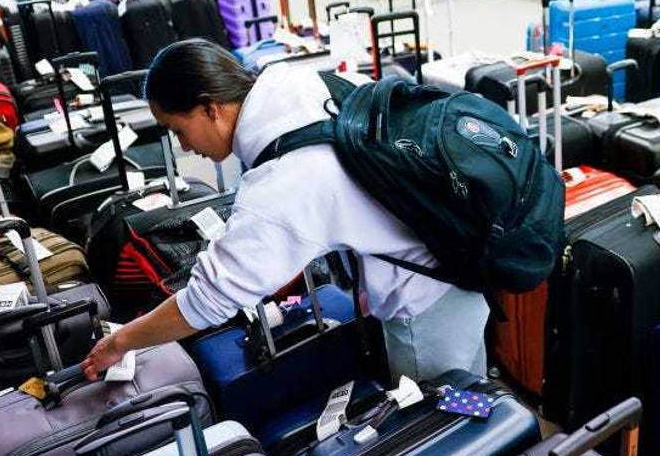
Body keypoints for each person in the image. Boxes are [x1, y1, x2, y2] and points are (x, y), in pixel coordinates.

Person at [81, 40, 490, 383]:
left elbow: (206, 301)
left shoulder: (281, 183)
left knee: (449, 431)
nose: (184, 148)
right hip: (459, 259)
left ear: (210, 108)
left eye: (177, 130)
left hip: (424, 306)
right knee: (477, 400)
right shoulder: (299, 80)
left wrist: (118, 343)